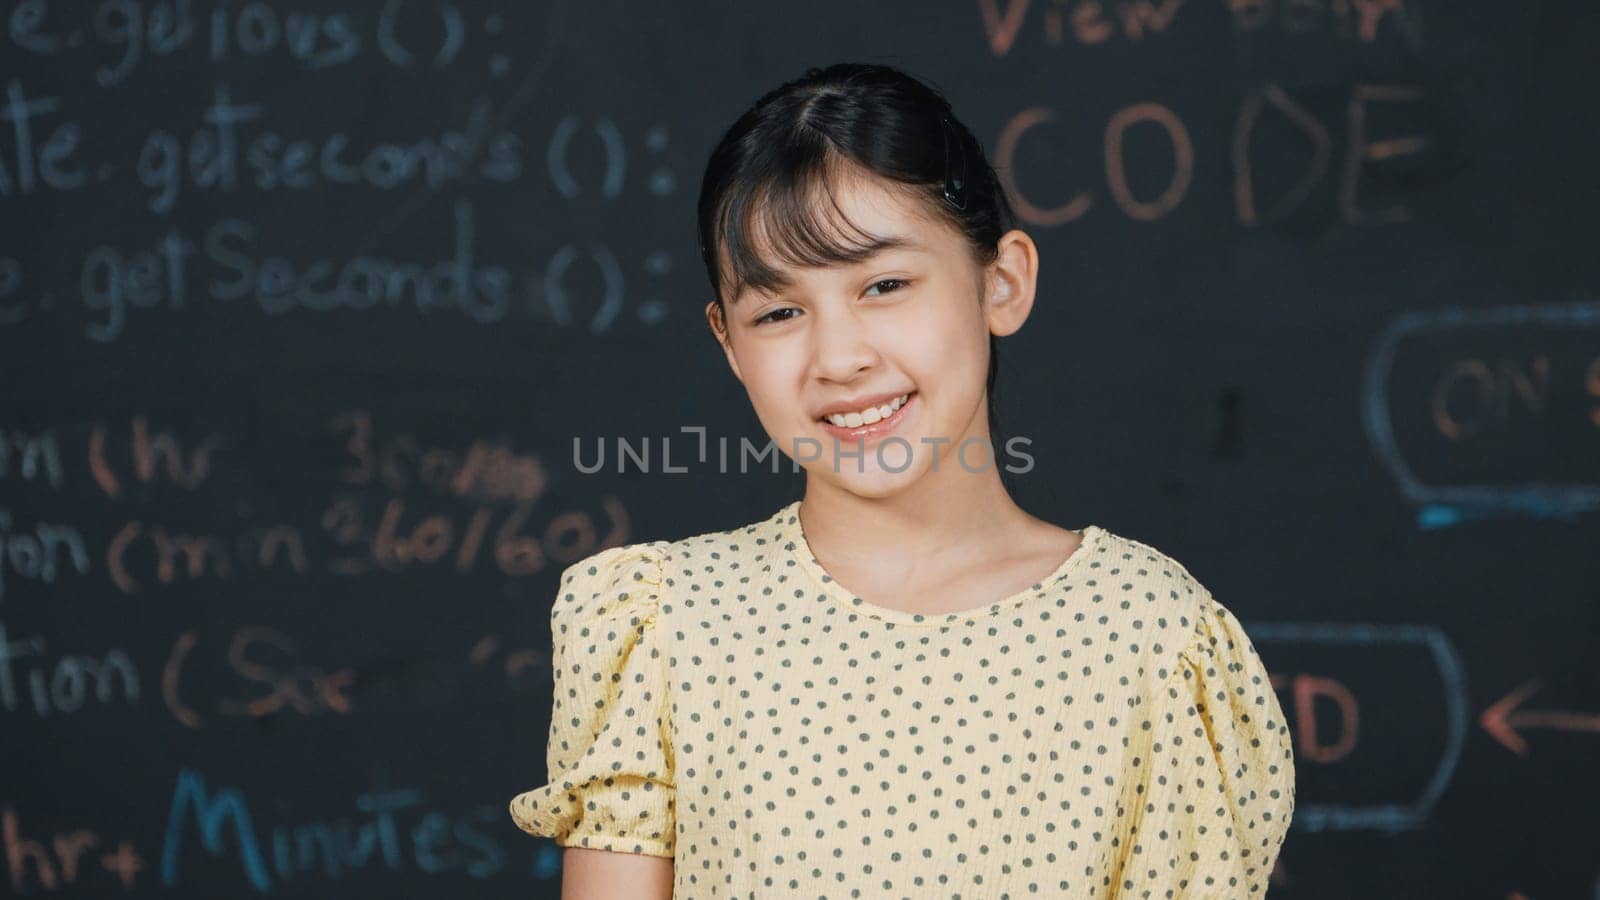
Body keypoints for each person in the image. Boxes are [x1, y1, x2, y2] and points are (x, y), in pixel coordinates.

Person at [510, 62, 1295, 898]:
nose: (840, 358)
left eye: (884, 285)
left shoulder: (1151, 636)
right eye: (779, 312)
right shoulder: (665, 625)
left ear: (1003, 282)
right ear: (729, 344)